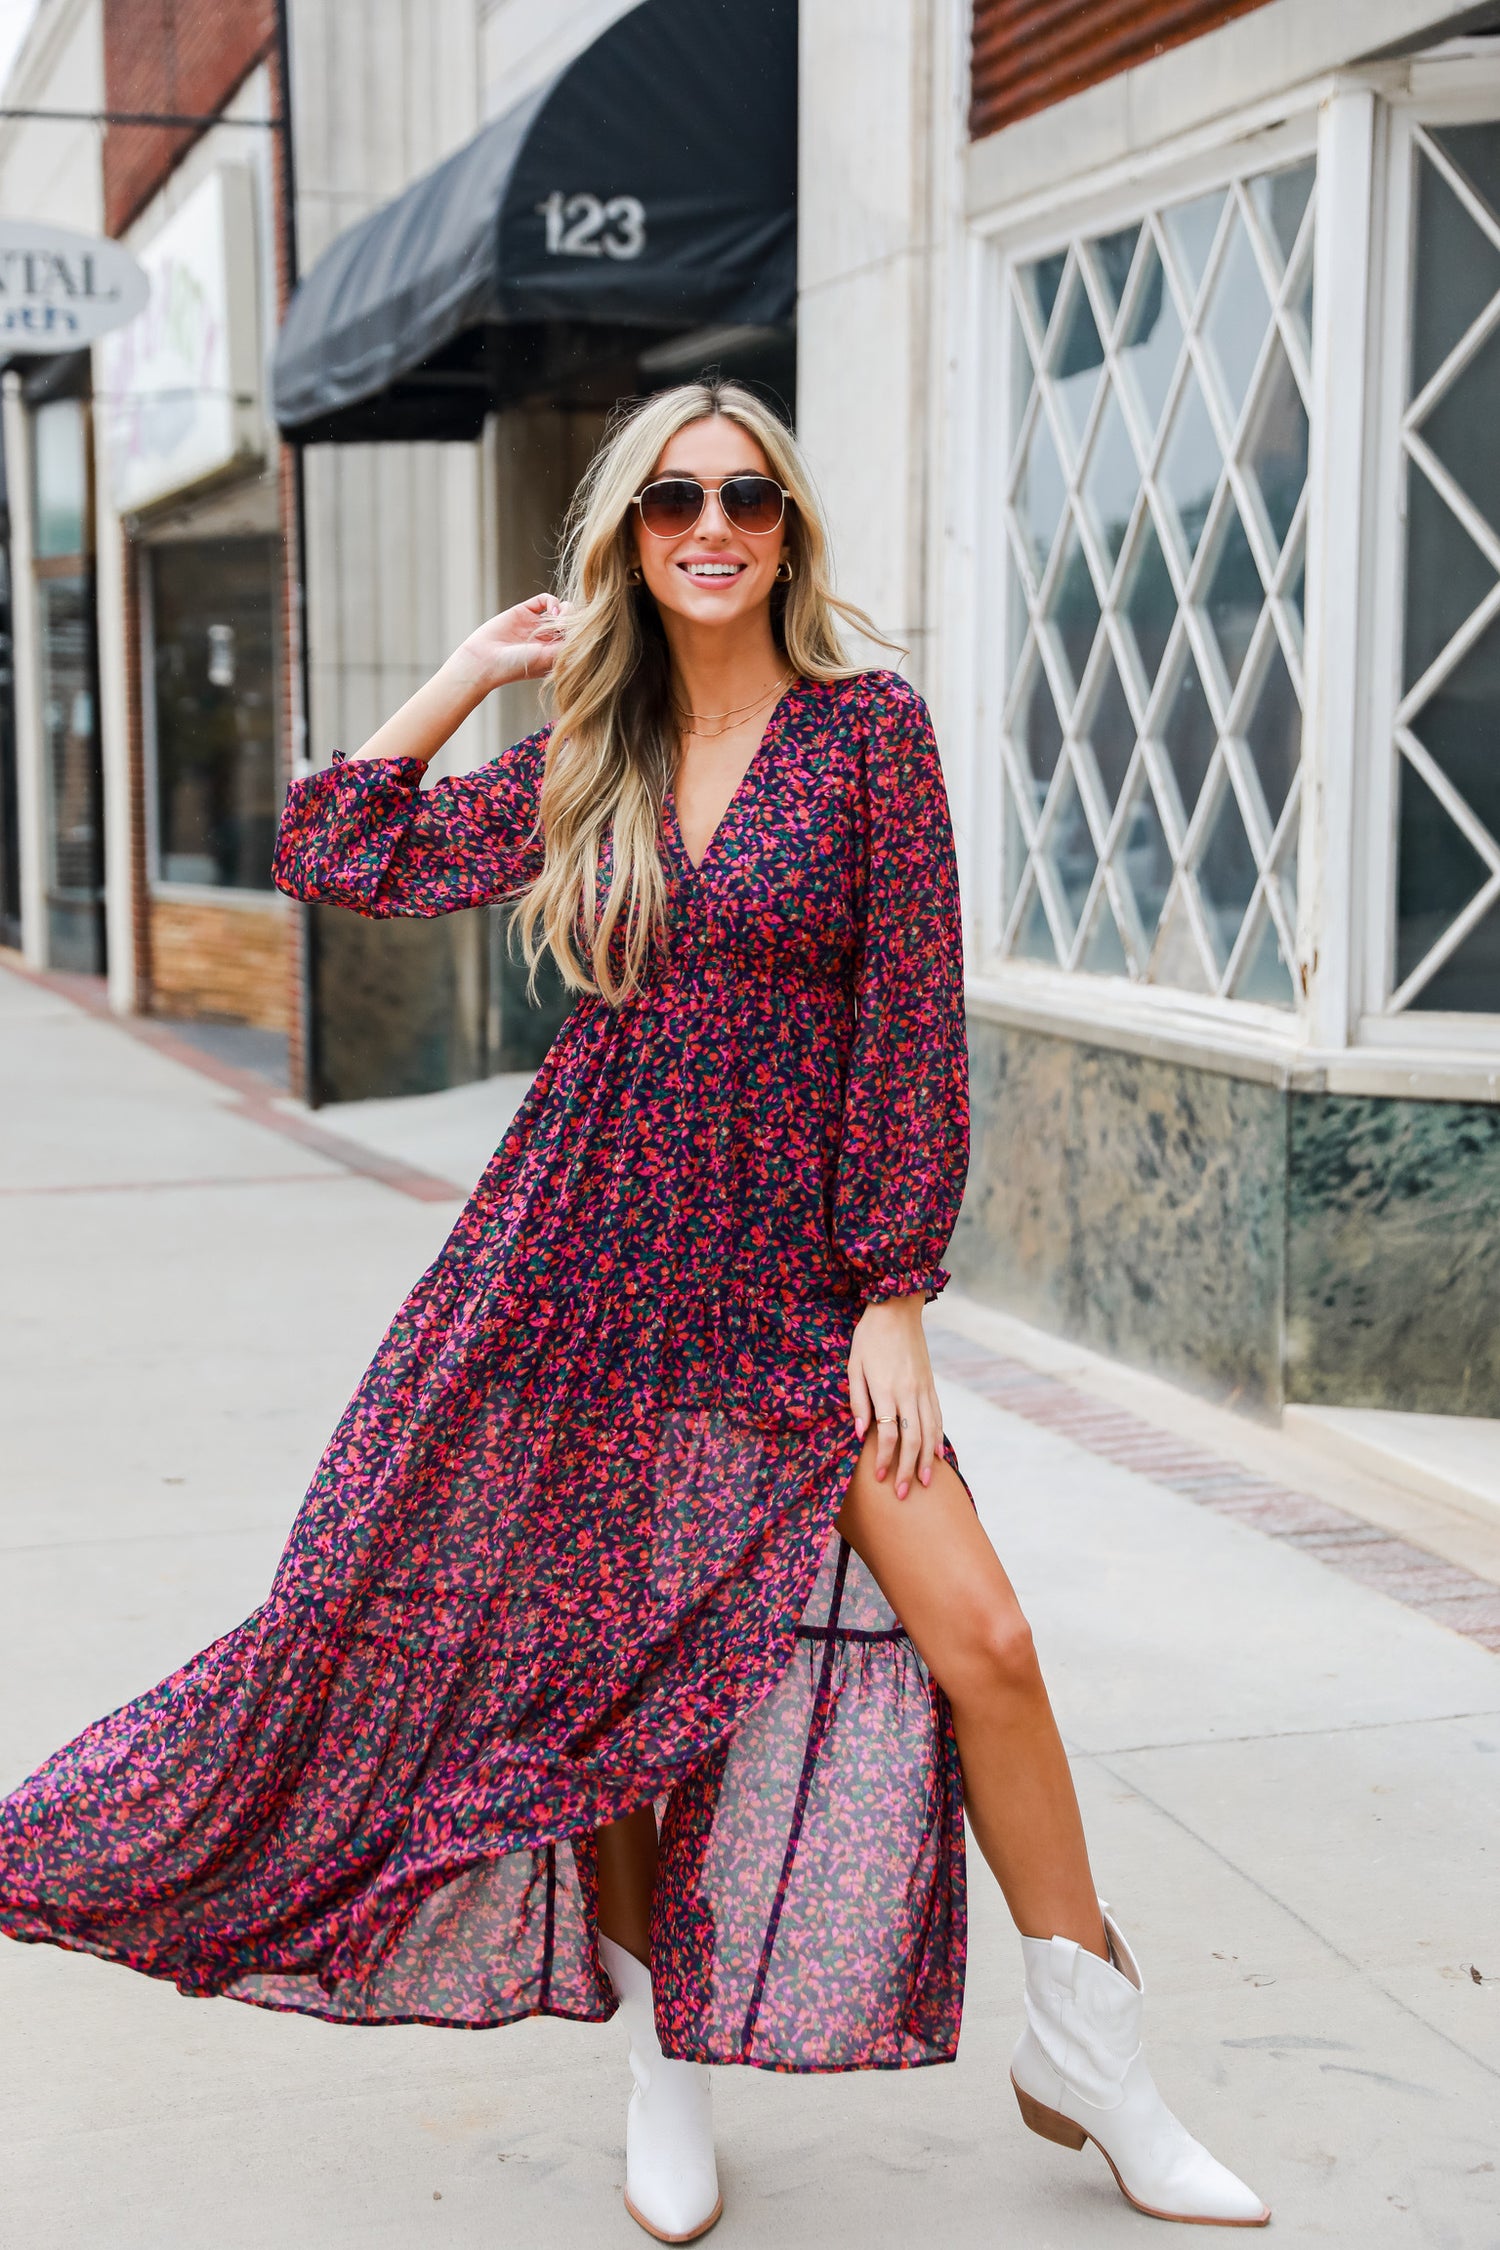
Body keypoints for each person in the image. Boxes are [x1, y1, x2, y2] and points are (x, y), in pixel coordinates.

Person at [0, 380, 1267, 2237]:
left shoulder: (866, 739)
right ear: (632, 533)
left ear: (788, 527)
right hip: (583, 1264)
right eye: (675, 496)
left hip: (794, 1294)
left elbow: (910, 1022)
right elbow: (338, 847)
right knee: (602, 1691)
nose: (712, 522)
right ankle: (660, 2064)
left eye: (747, 493)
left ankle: (1096, 2050)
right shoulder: (592, 748)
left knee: (983, 1634)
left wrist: (895, 1290)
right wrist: (461, 674)